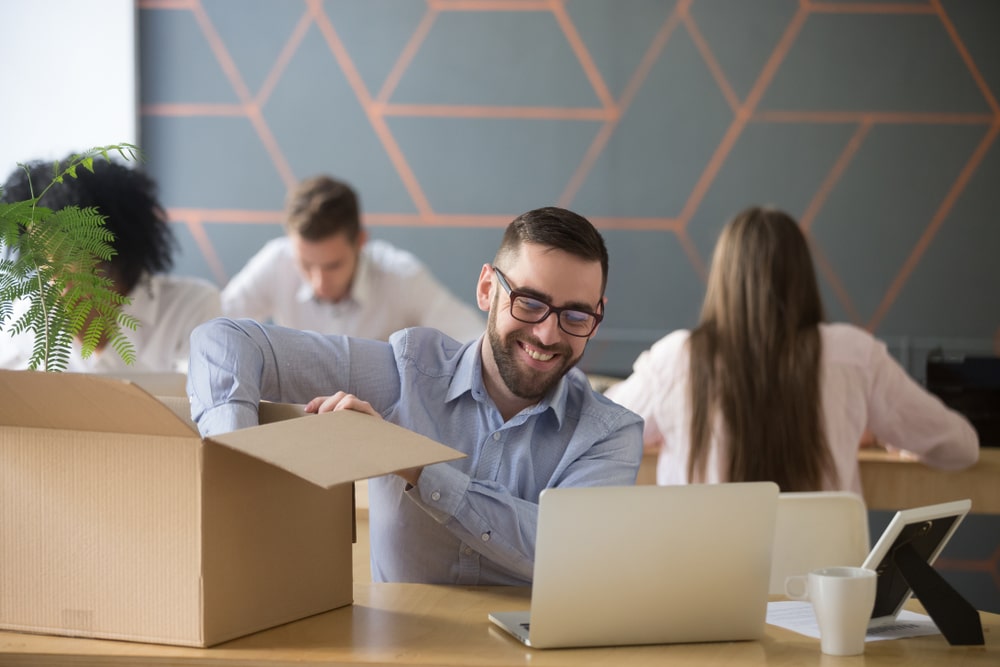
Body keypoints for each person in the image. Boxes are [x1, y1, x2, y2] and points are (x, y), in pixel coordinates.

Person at [188, 206, 644, 585]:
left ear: (597, 316)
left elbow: (570, 551)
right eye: (528, 303)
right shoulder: (405, 373)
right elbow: (223, 341)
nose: (547, 334)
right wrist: (234, 469)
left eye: (576, 316)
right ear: (488, 289)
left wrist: (410, 462)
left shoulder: (610, 435)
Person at [606, 205, 979, 494]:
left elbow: (596, 434)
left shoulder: (676, 359)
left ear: (723, 278)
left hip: (704, 591)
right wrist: (881, 430)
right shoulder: (854, 356)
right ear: (802, 277)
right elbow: (961, 447)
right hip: (824, 590)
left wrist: (661, 426)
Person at [0, 155, 221, 373]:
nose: (47, 271)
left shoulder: (191, 308)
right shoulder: (23, 318)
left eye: (63, 251)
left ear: (113, 247)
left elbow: (197, 401)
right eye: (38, 254)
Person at [221, 175, 484, 341]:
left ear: (360, 242)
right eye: (306, 264)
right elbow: (214, 330)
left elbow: (474, 339)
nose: (318, 283)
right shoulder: (276, 262)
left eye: (333, 265)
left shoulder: (400, 276)